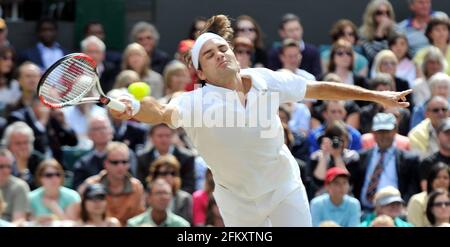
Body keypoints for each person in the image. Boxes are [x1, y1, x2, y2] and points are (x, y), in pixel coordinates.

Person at [111, 15, 412, 227]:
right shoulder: (194, 102)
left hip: (284, 188)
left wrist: (376, 95)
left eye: (223, 49)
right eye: (209, 55)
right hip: (238, 203)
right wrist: (134, 107)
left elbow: (317, 88)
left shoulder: (264, 79)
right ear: (200, 74)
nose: (220, 55)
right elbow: (161, 111)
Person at [78, 141, 145, 226]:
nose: (120, 166)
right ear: (105, 164)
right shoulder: (91, 185)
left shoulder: (136, 186)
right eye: (115, 162)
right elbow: (82, 216)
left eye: (124, 162)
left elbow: (140, 219)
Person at [29, 159, 80, 224]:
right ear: (40, 177)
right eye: (49, 175)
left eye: (58, 174)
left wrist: (55, 208)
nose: (54, 178)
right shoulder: (31, 197)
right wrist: (37, 221)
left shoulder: (72, 196)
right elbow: (27, 222)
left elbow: (73, 224)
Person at [146, 154, 193, 224]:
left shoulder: (184, 199)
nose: (169, 177)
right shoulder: (148, 196)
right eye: (164, 173)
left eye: (172, 173)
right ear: (155, 176)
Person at [407, 162, 449, 227]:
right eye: (437, 177)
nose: (441, 180)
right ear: (431, 180)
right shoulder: (417, 200)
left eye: (445, 178)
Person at [0, 148, 29, 224]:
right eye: (1, 166)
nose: (6, 170)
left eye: (9, 166)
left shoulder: (19, 187)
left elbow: (18, 221)